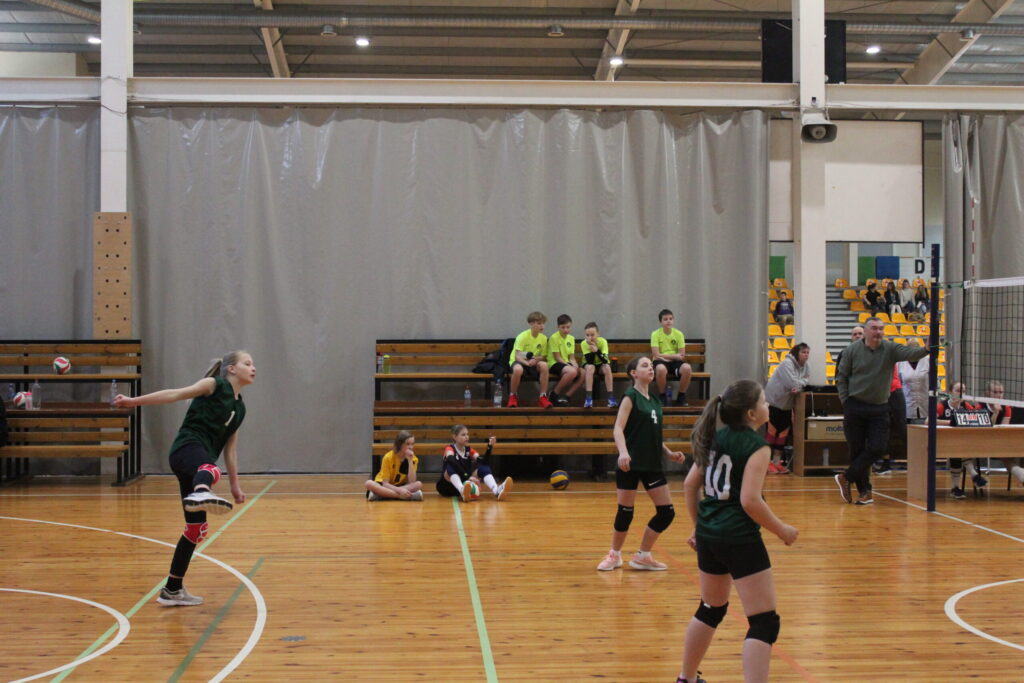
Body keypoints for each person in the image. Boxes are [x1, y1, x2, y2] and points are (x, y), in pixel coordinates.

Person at [676, 379, 798, 683]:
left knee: (710, 608)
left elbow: (690, 485)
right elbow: (750, 501)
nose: (768, 405)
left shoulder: (716, 438)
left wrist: (697, 527)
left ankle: (686, 678)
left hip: (709, 536)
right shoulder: (757, 446)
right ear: (751, 414)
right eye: (763, 401)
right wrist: (782, 530)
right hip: (739, 537)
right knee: (764, 622)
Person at [113, 350, 253, 607]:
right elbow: (174, 394)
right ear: (232, 369)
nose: (253, 368)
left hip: (198, 464)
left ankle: (172, 589)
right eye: (247, 363)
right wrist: (133, 401)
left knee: (196, 530)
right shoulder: (214, 385)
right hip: (186, 449)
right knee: (211, 470)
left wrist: (235, 485)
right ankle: (201, 490)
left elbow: (230, 449)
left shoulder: (240, 408)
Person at [596, 356, 686, 572]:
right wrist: (623, 452)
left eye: (651, 366)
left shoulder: (654, 400)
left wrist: (668, 453)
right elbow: (618, 428)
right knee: (625, 511)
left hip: (652, 464)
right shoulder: (630, 397)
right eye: (645, 366)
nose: (650, 369)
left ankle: (643, 555)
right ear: (634, 373)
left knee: (666, 512)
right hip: (630, 463)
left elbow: (652, 433)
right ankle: (614, 555)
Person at [834, 318, 928, 505]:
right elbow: (841, 376)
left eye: (881, 329)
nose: (878, 332)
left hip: (879, 407)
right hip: (855, 406)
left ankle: (846, 477)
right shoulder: (851, 351)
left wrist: (926, 348)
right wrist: (845, 401)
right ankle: (865, 492)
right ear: (866, 331)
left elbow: (912, 353)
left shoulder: (890, 349)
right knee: (856, 449)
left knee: (878, 447)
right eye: (874, 328)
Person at [763, 342, 810, 474]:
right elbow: (792, 383)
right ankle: (766, 463)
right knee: (772, 432)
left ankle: (776, 463)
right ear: (796, 353)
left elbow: (806, 380)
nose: (806, 355)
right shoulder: (786, 364)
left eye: (807, 352)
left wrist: (799, 385)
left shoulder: (806, 366)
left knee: (783, 434)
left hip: (787, 405)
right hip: (775, 402)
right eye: (803, 352)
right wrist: (799, 384)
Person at [435, 425, 512, 501]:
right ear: (455, 437)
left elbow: (484, 462)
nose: (466, 437)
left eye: (467, 434)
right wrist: (467, 476)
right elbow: (451, 460)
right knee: (451, 467)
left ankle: (497, 491)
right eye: (463, 435)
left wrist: (489, 446)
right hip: (447, 487)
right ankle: (462, 490)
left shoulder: (469, 450)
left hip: (465, 484)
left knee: (484, 467)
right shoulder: (449, 448)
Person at [937, 382, 985, 498]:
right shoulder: (942, 405)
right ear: (950, 392)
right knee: (958, 448)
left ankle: (955, 488)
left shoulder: (966, 406)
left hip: (960, 442)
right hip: (941, 441)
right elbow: (928, 421)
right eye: (958, 390)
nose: (961, 393)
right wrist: (951, 422)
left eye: (963, 391)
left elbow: (975, 419)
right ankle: (974, 475)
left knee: (959, 449)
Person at [507, 311, 551, 408]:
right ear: (531, 324)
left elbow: (544, 356)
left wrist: (536, 359)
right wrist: (527, 363)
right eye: (539, 323)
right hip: (520, 361)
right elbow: (517, 356)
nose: (542, 326)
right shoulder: (522, 336)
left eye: (543, 323)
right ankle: (513, 396)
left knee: (544, 365)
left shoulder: (543, 338)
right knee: (518, 369)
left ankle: (543, 396)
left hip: (533, 362)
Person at [651, 309, 693, 407]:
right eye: (665, 319)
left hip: (675, 362)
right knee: (660, 369)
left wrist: (668, 357)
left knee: (687, 368)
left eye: (670, 319)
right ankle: (662, 395)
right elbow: (656, 354)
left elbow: (682, 355)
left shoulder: (679, 334)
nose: (668, 321)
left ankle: (681, 396)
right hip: (660, 361)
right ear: (660, 322)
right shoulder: (655, 334)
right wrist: (674, 356)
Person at [365, 430, 423, 501]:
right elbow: (385, 484)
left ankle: (380, 495)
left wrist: (410, 461)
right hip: (384, 485)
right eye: (407, 444)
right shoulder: (388, 457)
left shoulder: (414, 459)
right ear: (400, 444)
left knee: (418, 484)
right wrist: (400, 491)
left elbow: (412, 482)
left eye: (412, 444)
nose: (411, 447)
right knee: (368, 483)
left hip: (400, 485)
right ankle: (400, 496)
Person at [546, 314, 585, 407]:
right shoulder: (554, 338)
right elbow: (557, 357)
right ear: (558, 327)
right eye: (563, 327)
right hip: (554, 363)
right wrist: (570, 366)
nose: (565, 330)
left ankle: (566, 396)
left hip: (566, 363)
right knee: (572, 372)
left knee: (583, 373)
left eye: (568, 327)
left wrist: (575, 365)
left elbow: (571, 357)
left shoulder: (571, 338)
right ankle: (553, 394)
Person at [579, 321, 617, 409]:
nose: (590, 337)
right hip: (589, 364)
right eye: (587, 335)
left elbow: (605, 360)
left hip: (601, 364)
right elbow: (590, 361)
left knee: (607, 367)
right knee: (590, 367)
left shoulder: (603, 342)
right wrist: (592, 348)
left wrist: (597, 350)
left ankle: (611, 398)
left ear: (598, 334)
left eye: (592, 335)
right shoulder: (584, 343)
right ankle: (588, 398)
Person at [897, 339, 930, 423]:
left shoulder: (928, 360)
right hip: (907, 406)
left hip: (925, 405)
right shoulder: (900, 363)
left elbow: (935, 384)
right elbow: (898, 385)